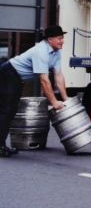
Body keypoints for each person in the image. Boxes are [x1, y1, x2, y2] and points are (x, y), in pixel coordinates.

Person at [0, 25, 69, 157]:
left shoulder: (56, 52)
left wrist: (65, 98)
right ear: (50, 39)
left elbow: (58, 76)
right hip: (8, 74)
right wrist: (54, 102)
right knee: (6, 111)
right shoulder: (41, 51)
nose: (62, 41)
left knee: (11, 111)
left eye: (62, 38)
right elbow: (44, 80)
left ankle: (1, 145)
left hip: (17, 78)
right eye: (59, 38)